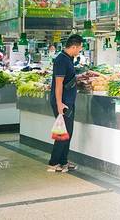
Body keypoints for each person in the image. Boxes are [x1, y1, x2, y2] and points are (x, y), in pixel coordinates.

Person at [48, 34, 83, 173]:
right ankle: (54, 163)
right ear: (73, 47)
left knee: (68, 132)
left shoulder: (68, 59)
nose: (79, 51)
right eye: (79, 48)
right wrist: (59, 104)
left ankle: (63, 161)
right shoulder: (61, 60)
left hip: (68, 101)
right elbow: (58, 84)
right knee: (62, 132)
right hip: (63, 103)